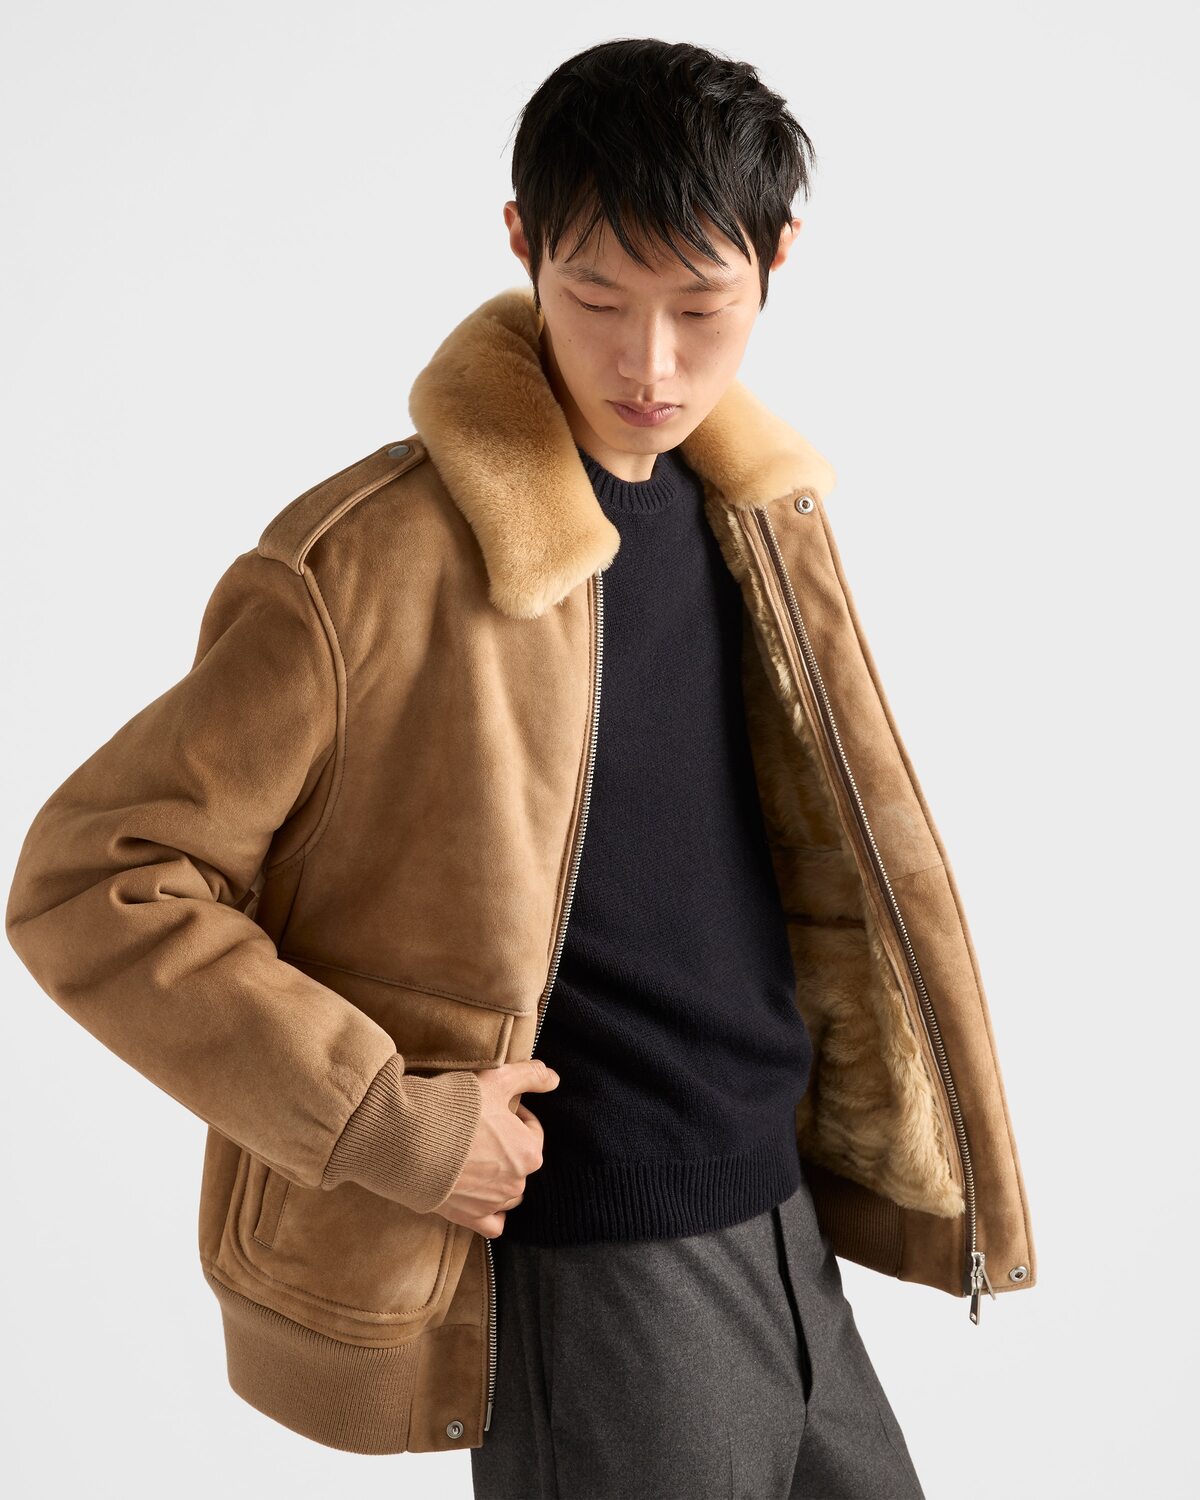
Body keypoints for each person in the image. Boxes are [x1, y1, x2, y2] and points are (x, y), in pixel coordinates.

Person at [6, 34, 1035, 1497]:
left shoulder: (758, 517)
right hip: (596, 1270)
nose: (650, 366)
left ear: (779, 263)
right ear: (521, 243)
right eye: (598, 299)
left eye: (702, 308)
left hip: (783, 1222)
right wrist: (381, 1119)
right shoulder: (369, 564)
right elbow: (91, 879)